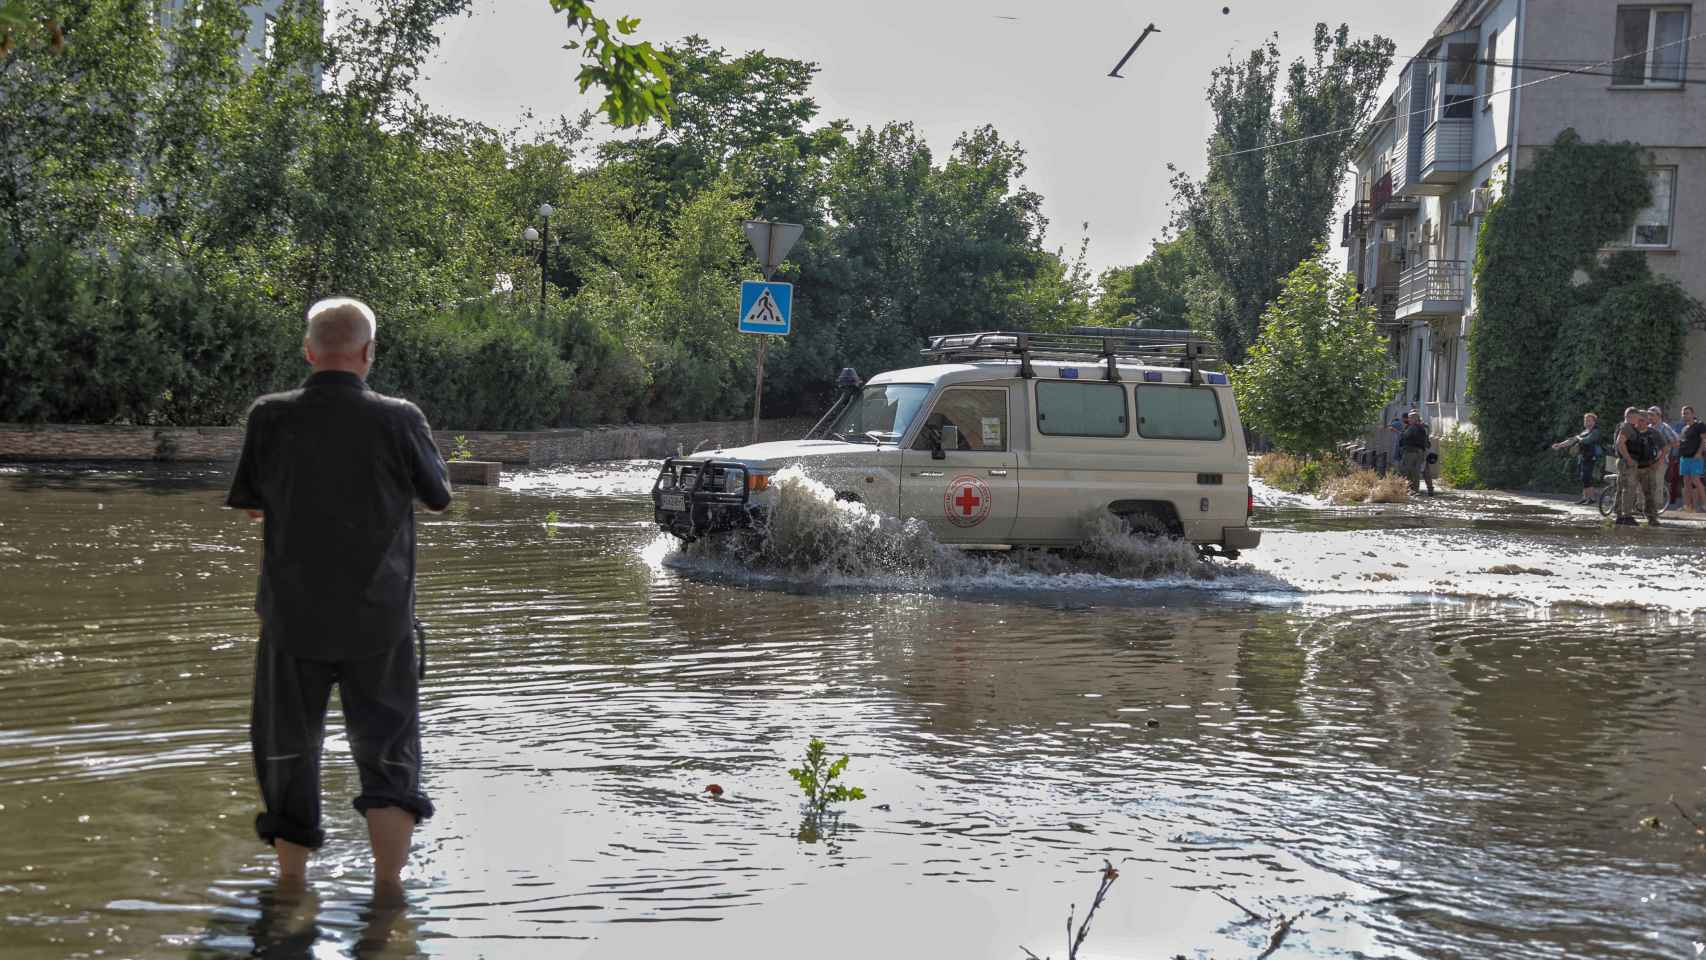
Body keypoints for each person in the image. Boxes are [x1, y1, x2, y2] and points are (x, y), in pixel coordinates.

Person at [226, 297, 453, 904]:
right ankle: (387, 896)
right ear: (368, 352)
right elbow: (438, 497)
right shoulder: (400, 418)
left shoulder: (269, 417)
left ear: (308, 351)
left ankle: (291, 886)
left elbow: (252, 503)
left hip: (290, 618)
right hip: (378, 622)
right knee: (389, 753)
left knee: (286, 750)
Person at [1613, 406, 1663, 527]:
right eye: (1638, 419)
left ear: (1647, 422)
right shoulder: (1627, 428)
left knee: (1649, 492)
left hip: (1647, 467)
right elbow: (1620, 443)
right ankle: (1623, 516)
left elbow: (1666, 446)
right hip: (1631, 465)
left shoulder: (1653, 432)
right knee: (1626, 489)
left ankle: (1651, 518)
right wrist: (1629, 459)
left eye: (1642, 420)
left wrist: (1658, 462)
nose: (1639, 422)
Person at [1551, 411, 1602, 505]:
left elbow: (1587, 441)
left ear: (1594, 422)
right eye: (1585, 420)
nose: (1586, 422)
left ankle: (1592, 498)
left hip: (1591, 457)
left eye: (1589, 420)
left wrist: (1578, 438)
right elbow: (1571, 440)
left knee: (1587, 477)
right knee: (1583, 477)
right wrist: (1559, 445)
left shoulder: (1596, 431)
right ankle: (1585, 497)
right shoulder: (1584, 432)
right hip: (1582, 456)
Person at [1648, 405, 1682, 511]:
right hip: (1648, 460)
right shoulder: (1648, 427)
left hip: (1661, 460)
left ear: (1659, 416)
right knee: (1647, 483)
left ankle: (1657, 507)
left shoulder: (1664, 427)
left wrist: (1666, 447)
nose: (1650, 417)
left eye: (1652, 415)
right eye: (1649, 415)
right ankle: (1646, 506)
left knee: (1658, 483)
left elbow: (1676, 442)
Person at [1398, 410, 1432, 495]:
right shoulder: (1420, 427)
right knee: (1415, 472)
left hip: (1411, 452)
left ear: (1414, 418)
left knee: (1406, 471)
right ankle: (1414, 490)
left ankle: (1407, 489)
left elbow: (1407, 438)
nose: (1408, 419)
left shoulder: (1414, 427)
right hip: (1418, 452)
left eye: (1410, 418)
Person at [1680, 404, 1705, 513]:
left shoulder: (1700, 425)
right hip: (1684, 458)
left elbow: (1704, 440)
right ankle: (1688, 506)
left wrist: (1699, 453)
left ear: (1693, 414)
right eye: (1683, 413)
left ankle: (1704, 505)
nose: (1685, 415)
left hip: (1696, 458)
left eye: (1687, 413)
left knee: (1696, 480)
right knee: (1686, 483)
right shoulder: (1684, 428)